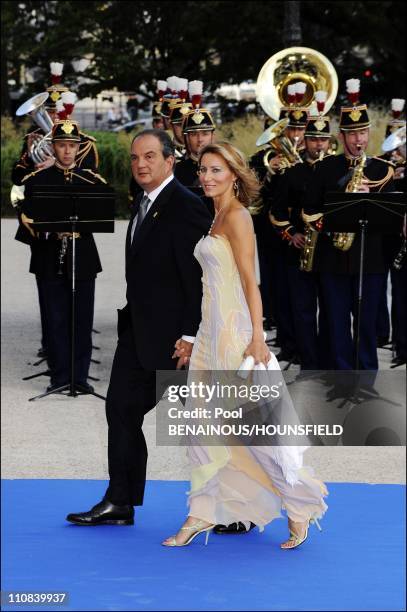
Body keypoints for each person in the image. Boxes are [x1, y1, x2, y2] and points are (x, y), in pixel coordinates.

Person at [161, 142, 328, 549]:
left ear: (234, 174)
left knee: (255, 434)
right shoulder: (213, 215)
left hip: (235, 337)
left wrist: (257, 336)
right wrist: (191, 338)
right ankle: (200, 514)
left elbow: (251, 282)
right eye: (203, 170)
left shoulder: (236, 217)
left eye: (216, 170)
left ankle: (299, 506)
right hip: (207, 337)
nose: (206, 177)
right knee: (201, 431)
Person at [66, 129, 212, 526]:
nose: (140, 165)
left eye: (149, 157)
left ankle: (234, 508)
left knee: (207, 425)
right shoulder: (145, 201)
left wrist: (189, 335)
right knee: (120, 411)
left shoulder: (185, 205)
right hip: (140, 333)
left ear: (169, 160)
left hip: (179, 341)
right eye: (134, 158)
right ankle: (120, 501)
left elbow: (198, 278)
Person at [302, 80, 396, 371]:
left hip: (371, 260)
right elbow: (309, 212)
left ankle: (367, 376)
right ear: (341, 136)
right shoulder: (326, 169)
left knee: (366, 323)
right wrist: (331, 223)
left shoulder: (382, 170)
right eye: (352, 134)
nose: (358, 140)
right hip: (334, 259)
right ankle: (342, 376)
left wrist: (373, 199)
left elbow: (393, 216)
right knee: (337, 322)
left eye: (363, 132)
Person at [20, 119, 105, 393]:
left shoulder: (92, 181)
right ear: (53, 147)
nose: (67, 151)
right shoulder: (36, 181)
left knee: (81, 318)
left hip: (83, 256)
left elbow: (101, 218)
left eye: (72, 146)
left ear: (78, 148)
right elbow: (27, 221)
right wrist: (48, 231)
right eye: (62, 145)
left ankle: (79, 377)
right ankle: (58, 376)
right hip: (49, 256)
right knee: (54, 318)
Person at [270, 109, 332, 370]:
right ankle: (308, 362)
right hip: (300, 250)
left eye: (323, 139)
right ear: (305, 140)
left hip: (330, 252)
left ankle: (328, 359)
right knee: (303, 311)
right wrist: (290, 234)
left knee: (330, 311)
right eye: (314, 139)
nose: (318, 144)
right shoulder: (291, 173)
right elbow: (276, 212)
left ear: (330, 141)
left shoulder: (336, 169)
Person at [174, 81, 216, 199]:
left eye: (205, 134)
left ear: (213, 135)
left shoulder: (225, 166)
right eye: (193, 134)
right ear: (186, 138)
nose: (200, 139)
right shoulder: (176, 171)